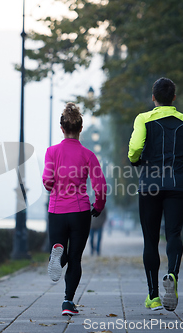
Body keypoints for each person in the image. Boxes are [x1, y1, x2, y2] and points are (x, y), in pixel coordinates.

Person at [127, 78, 183, 312]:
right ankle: (172, 274)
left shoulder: (144, 118)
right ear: (174, 98)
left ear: (153, 97)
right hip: (177, 184)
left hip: (150, 184)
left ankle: (153, 297)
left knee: (150, 239)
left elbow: (134, 149)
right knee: (174, 234)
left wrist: (135, 161)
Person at [42, 102, 107, 316]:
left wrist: (53, 184)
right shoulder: (88, 155)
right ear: (80, 129)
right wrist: (98, 206)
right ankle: (68, 302)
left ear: (62, 129)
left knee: (60, 251)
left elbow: (48, 181)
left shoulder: (52, 152)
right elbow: (100, 186)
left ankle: (58, 256)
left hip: (57, 210)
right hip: (80, 211)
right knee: (76, 258)